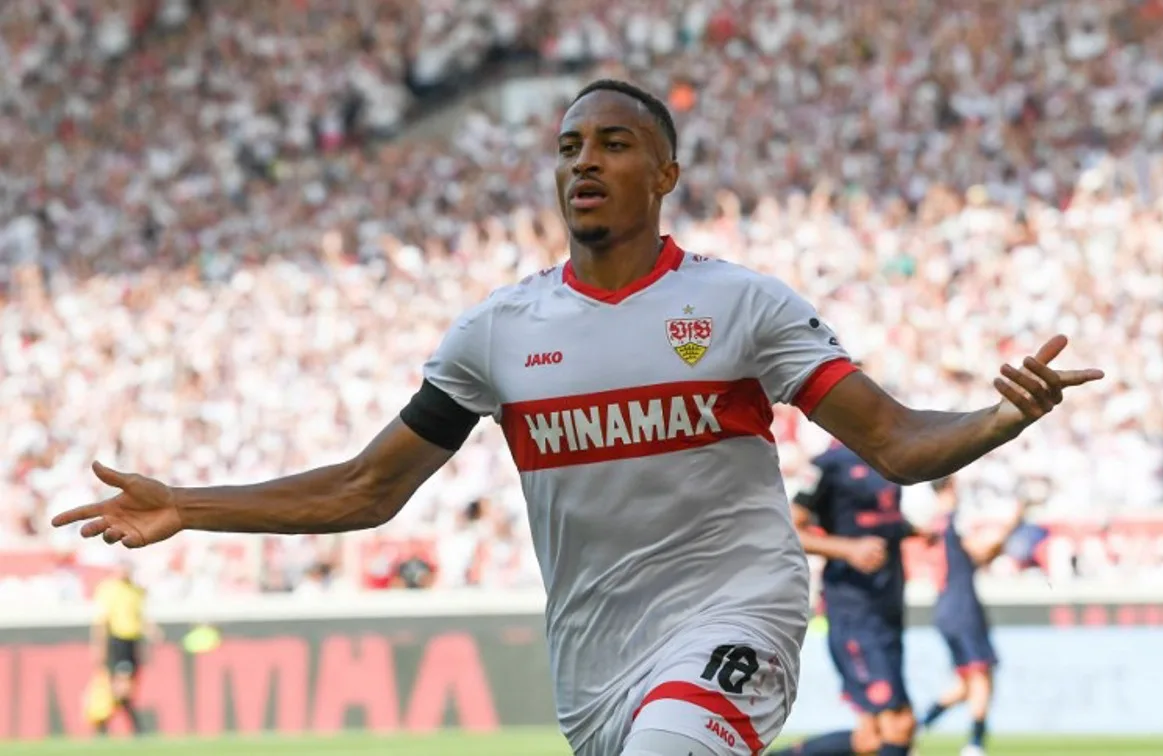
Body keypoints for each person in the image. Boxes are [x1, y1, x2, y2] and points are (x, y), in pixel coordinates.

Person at [52, 79, 1104, 756]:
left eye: (612, 143)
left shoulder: (740, 306)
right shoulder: (497, 333)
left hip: (735, 616)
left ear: (667, 175)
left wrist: (995, 418)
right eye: (568, 147)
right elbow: (367, 490)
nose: (584, 162)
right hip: (593, 666)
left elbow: (898, 442)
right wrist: (189, 505)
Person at [773, 444, 931, 756]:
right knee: (899, 725)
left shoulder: (889, 454)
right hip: (853, 611)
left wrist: (914, 531)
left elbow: (880, 520)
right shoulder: (827, 465)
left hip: (887, 608)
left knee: (870, 739)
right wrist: (848, 549)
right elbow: (788, 529)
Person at [919, 476, 1028, 756]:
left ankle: (914, 728)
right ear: (951, 485)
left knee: (967, 682)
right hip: (962, 606)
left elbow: (972, 558)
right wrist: (1013, 524)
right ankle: (975, 744)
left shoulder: (934, 523)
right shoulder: (954, 519)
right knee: (980, 675)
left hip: (946, 605)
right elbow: (982, 549)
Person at [90, 560, 162, 736]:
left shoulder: (136, 591)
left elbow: (140, 616)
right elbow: (101, 622)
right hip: (117, 641)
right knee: (122, 687)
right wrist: (99, 647)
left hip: (132, 642)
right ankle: (133, 726)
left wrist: (152, 632)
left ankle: (105, 724)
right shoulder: (108, 589)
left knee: (125, 687)